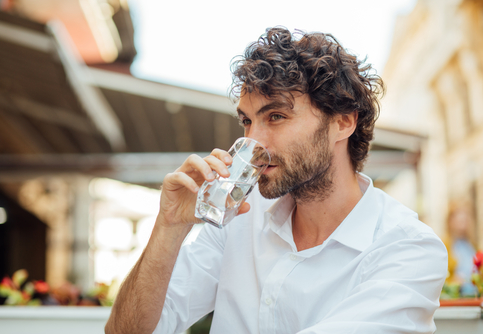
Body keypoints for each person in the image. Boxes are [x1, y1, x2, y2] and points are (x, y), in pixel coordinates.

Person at [105, 27, 448, 334]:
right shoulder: (237, 219)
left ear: (343, 122)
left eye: (276, 116)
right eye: (247, 122)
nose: (254, 144)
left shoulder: (408, 249)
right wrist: (168, 226)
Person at [444, 202, 478, 297]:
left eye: (466, 219)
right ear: (451, 221)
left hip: (474, 296)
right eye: (460, 220)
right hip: (457, 298)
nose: (464, 223)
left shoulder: (471, 244)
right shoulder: (445, 245)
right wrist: (453, 282)